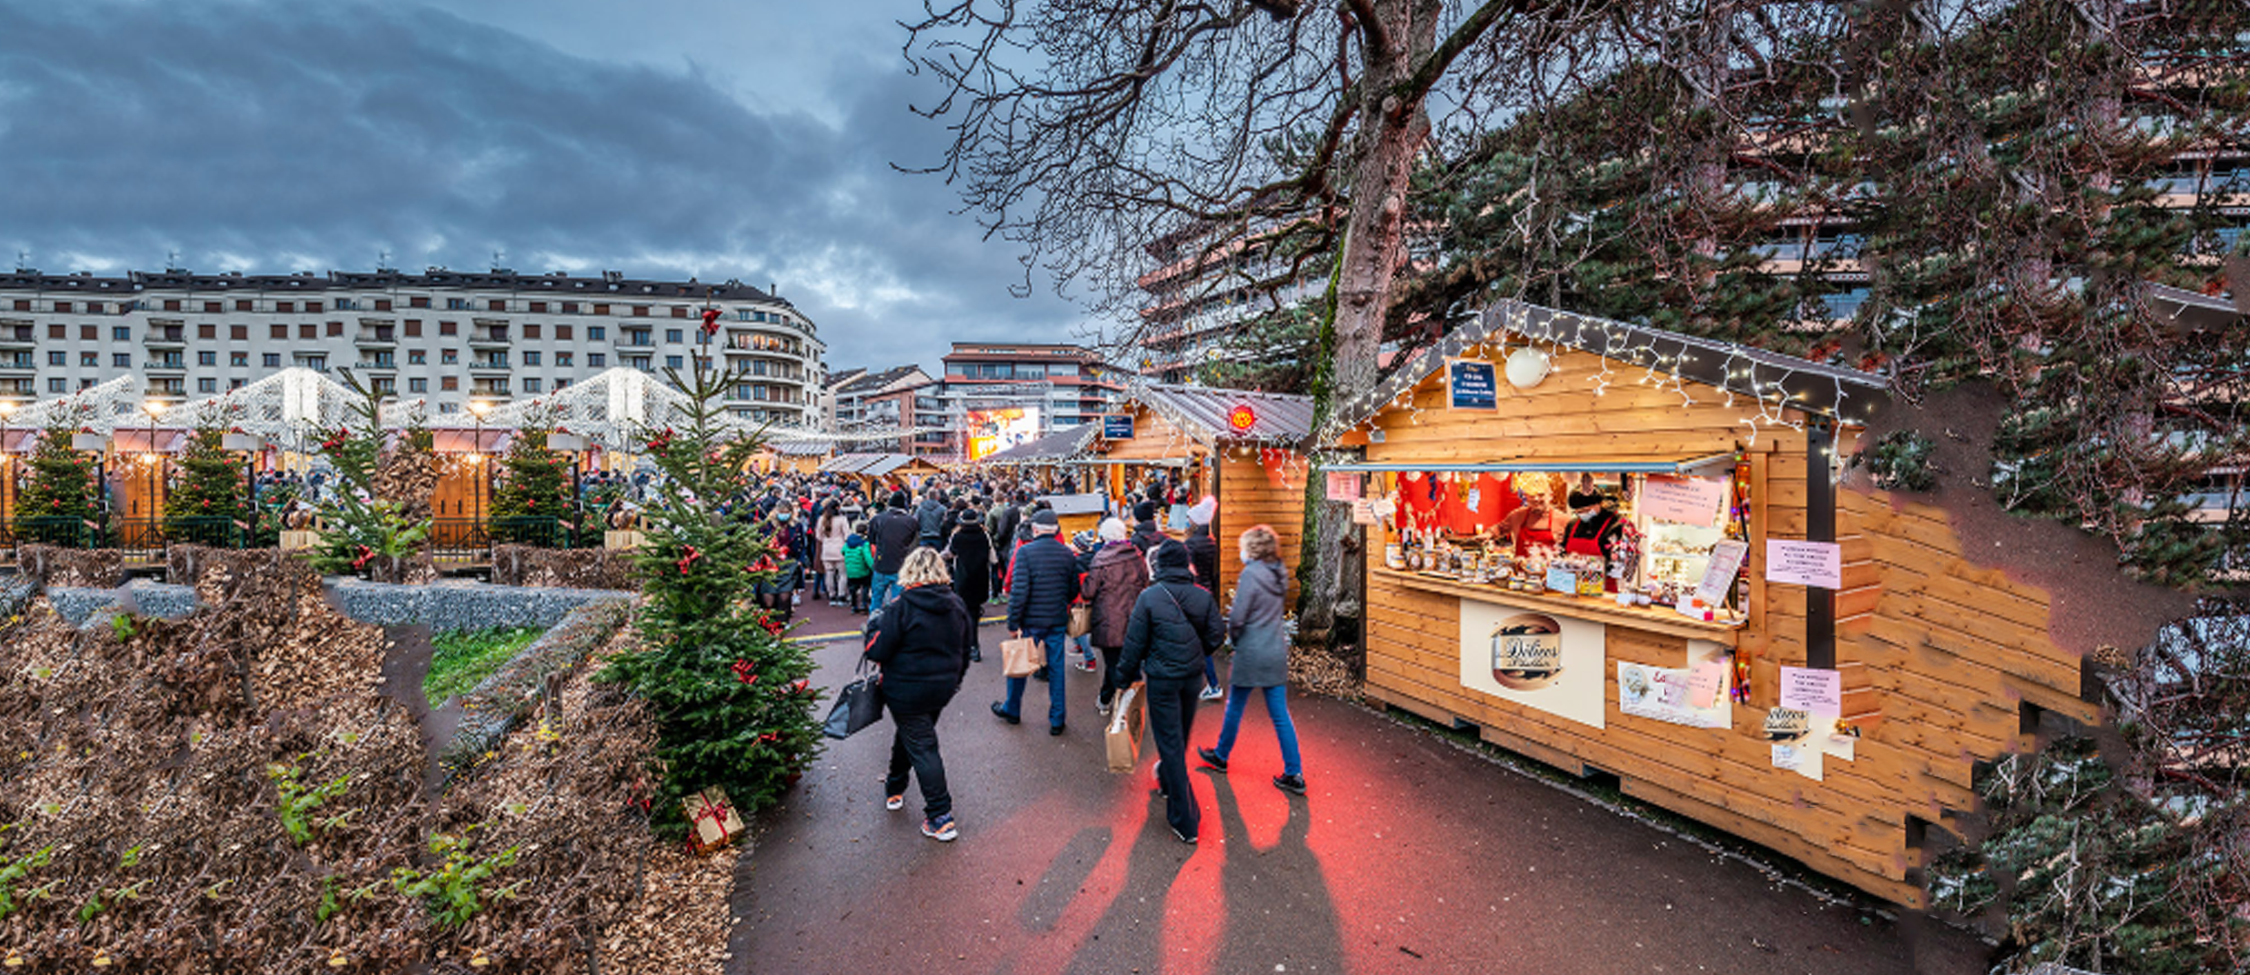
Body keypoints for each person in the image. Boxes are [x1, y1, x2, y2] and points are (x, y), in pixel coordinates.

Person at [1117, 540, 1225, 845]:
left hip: (1162, 678)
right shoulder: (1202, 596)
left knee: (1170, 742)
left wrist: (1123, 677)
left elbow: (1134, 643)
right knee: (1180, 736)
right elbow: (1216, 634)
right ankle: (1167, 778)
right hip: (1192, 677)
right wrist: (1196, 653)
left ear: (1159, 565)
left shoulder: (1149, 597)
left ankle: (1186, 819)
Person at [863, 548, 975, 842]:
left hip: (904, 688)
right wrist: (955, 681)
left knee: (922, 746)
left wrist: (871, 630)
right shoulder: (955, 603)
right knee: (913, 737)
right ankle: (894, 787)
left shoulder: (900, 606)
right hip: (941, 687)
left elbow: (877, 650)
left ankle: (940, 815)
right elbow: (965, 648)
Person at [1198, 525, 1305, 794]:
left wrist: (1232, 637)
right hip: (1275, 648)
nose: (1241, 551)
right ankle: (1294, 771)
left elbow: (1238, 616)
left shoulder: (1251, 575)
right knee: (1280, 713)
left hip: (1252, 649)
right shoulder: (1278, 572)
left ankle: (1221, 755)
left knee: (1235, 705)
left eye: (1244, 546)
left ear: (1252, 549)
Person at [992, 510, 1081, 735]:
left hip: (1031, 620)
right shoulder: (1067, 554)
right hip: (1057, 618)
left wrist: (1013, 623)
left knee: (1020, 665)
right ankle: (1057, 719)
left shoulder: (1025, 553)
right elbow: (1073, 590)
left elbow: (1019, 592)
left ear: (1035, 529)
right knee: (1056, 669)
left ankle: (1012, 709)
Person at [1080, 517, 1148, 715]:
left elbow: (1088, 592)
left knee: (1113, 665)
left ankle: (1123, 708)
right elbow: (1145, 582)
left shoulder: (1101, 559)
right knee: (1131, 663)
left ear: (1104, 536)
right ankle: (1112, 699)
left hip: (1109, 621)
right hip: (1136, 619)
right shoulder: (1137, 556)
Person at [1183, 519, 1226, 701]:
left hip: (1194, 595)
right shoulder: (1211, 543)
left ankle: (1212, 684)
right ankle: (1209, 683)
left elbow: (1188, 570)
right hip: (1207, 592)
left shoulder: (1190, 545)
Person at [946, 509, 992, 662]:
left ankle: (967, 645)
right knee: (973, 612)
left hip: (963, 578)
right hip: (980, 578)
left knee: (963, 611)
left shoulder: (958, 536)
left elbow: (950, 553)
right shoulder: (984, 535)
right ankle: (974, 646)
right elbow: (993, 558)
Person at [867, 492, 921, 613]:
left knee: (876, 599)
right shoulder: (911, 521)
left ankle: (873, 625)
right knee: (897, 601)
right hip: (901, 564)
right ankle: (894, 626)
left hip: (881, 564)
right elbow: (913, 543)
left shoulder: (877, 519)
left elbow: (872, 543)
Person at [1493, 483, 1566, 558]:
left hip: (1550, 569)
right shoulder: (1517, 515)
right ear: (1526, 496)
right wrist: (1487, 535)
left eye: (1541, 495)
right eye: (1531, 495)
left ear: (1551, 496)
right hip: (1521, 568)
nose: (1536, 499)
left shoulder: (1563, 519)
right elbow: (1499, 528)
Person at [818, 502, 852, 606]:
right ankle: (841, 595)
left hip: (827, 549)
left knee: (829, 573)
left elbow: (819, 536)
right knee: (842, 574)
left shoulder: (821, 519)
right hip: (839, 548)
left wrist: (826, 541)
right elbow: (847, 534)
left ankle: (831, 595)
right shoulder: (842, 519)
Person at [842, 519, 875, 613]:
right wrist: (873, 567)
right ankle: (863, 604)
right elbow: (867, 557)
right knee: (865, 586)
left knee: (853, 589)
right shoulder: (864, 544)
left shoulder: (847, 543)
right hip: (862, 570)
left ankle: (854, 606)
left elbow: (842, 551)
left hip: (850, 570)